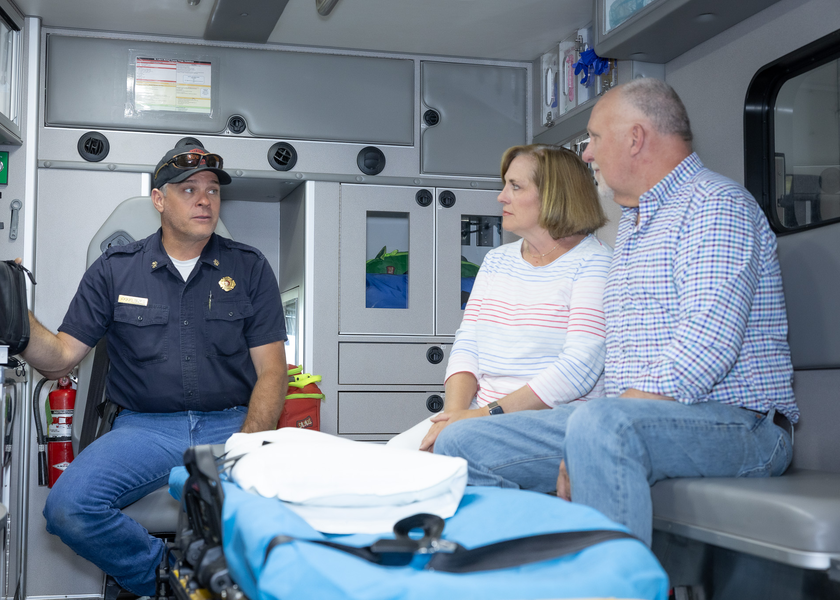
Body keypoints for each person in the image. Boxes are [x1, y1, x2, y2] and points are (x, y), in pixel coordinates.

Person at [434, 78, 798, 546]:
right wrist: (590, 430)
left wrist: (594, 429)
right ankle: (536, 572)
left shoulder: (715, 206)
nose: (587, 154)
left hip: (740, 425)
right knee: (461, 443)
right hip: (638, 419)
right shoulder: (636, 224)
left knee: (597, 422)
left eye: (595, 139)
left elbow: (705, 349)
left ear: (635, 137)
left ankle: (609, 586)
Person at [21, 145, 288, 595]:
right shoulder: (114, 272)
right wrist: (17, 323)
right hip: (144, 429)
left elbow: (273, 373)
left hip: (230, 426)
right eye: (189, 190)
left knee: (290, 509)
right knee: (68, 508)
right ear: (159, 200)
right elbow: (62, 356)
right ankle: (168, 578)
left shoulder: (249, 267)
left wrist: (246, 443)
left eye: (212, 191)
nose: (205, 200)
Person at [387, 144, 612, 451]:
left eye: (515, 186)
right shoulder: (498, 259)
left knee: (443, 459)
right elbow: (468, 343)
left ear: (554, 195)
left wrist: (482, 416)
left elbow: (577, 370)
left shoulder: (595, 263)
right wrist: (455, 414)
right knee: (394, 455)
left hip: (548, 420)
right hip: (482, 413)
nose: (501, 196)